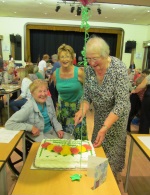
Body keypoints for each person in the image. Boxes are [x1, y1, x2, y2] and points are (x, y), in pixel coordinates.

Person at [74, 36, 130, 177]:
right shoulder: (88, 70)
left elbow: (122, 103)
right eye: (88, 59)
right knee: (97, 147)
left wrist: (106, 127)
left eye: (95, 59)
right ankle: (98, 178)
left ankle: (111, 180)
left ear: (106, 55)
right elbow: (86, 96)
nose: (92, 64)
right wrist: (82, 109)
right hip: (100, 115)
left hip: (117, 117)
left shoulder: (118, 69)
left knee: (112, 151)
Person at [5, 79, 72, 142]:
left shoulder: (48, 99)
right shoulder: (28, 107)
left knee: (71, 139)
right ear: (32, 93)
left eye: (45, 91)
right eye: (40, 91)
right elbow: (9, 124)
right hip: (40, 135)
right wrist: (31, 127)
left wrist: (58, 128)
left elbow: (54, 117)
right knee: (60, 146)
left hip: (51, 131)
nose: (43, 94)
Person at [52, 43, 87, 140]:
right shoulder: (55, 74)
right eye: (62, 57)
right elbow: (54, 93)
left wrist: (84, 107)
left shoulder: (79, 72)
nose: (65, 59)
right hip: (63, 112)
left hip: (78, 111)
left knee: (79, 142)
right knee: (63, 141)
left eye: (67, 56)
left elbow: (88, 91)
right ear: (59, 59)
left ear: (72, 58)